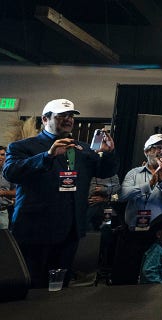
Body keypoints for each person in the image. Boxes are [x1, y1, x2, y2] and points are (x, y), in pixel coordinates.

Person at [2, 98, 118, 288]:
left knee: (60, 286)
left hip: (69, 230)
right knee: (32, 285)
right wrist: (47, 156)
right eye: (61, 115)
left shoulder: (83, 149)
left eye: (71, 116)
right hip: (35, 229)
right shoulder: (23, 147)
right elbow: (11, 172)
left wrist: (108, 154)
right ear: (45, 119)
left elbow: (105, 172)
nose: (68, 119)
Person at [113, 133, 162, 285]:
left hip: (158, 239)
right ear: (146, 152)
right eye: (158, 147)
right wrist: (149, 185)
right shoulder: (134, 173)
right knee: (127, 280)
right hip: (132, 236)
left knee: (154, 281)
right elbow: (122, 195)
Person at [0, 146, 16, 229]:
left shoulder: (9, 172)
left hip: (3, 212)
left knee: (3, 239)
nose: (0, 157)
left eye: (2, 155)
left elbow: (17, 192)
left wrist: (3, 193)